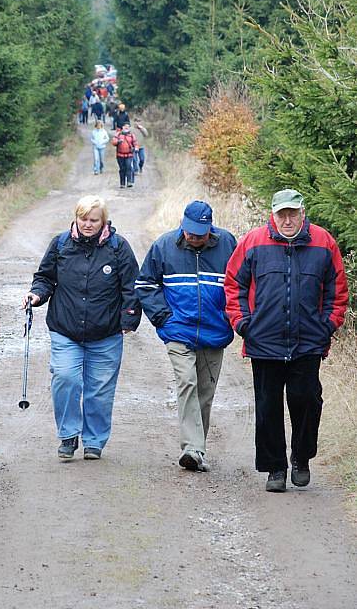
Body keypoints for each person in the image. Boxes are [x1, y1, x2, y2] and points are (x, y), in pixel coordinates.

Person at [224, 189, 348, 493]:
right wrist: (243, 324)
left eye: (293, 213)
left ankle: (301, 457)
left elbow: (337, 290)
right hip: (263, 341)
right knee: (268, 407)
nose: (288, 220)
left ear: (302, 213)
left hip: (308, 341)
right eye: (282, 214)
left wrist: (327, 325)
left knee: (306, 399)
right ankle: (275, 468)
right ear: (273, 214)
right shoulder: (253, 242)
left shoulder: (323, 242)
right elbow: (233, 285)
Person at [23, 195, 141, 461]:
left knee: (99, 390)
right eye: (83, 219)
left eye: (93, 220)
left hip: (106, 332)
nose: (88, 224)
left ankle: (94, 441)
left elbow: (132, 286)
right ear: (76, 218)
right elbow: (44, 278)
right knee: (65, 378)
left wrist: (129, 319)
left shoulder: (118, 247)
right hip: (65, 329)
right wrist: (36, 295)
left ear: (103, 221)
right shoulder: (61, 244)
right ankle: (68, 435)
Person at [135, 201, 236, 471]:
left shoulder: (227, 244)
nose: (194, 237)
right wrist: (163, 319)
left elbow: (242, 282)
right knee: (187, 382)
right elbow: (145, 285)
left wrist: (231, 317)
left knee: (205, 392)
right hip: (178, 330)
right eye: (190, 232)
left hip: (215, 332)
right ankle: (192, 447)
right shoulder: (164, 245)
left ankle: (197, 450)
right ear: (182, 225)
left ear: (210, 228)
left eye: (200, 234)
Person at [112, 122, 138, 188]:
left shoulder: (132, 135)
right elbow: (113, 142)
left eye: (128, 126)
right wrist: (118, 141)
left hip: (129, 154)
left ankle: (129, 182)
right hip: (120, 155)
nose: (126, 127)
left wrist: (136, 148)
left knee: (129, 167)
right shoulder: (118, 134)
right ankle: (122, 183)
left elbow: (135, 143)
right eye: (125, 126)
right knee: (122, 169)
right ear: (122, 127)